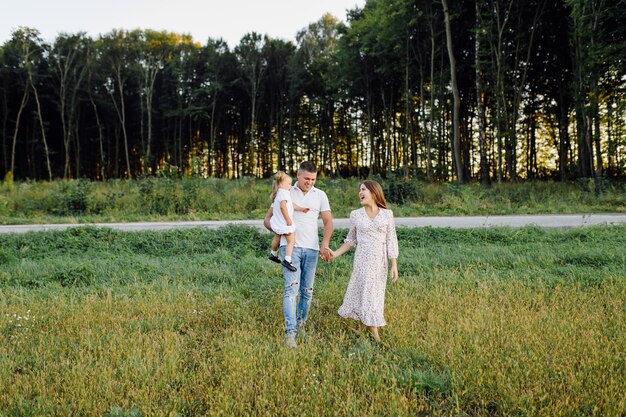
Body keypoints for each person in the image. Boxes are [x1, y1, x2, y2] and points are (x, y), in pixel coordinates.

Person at [264, 161, 333, 348]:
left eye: (313, 179)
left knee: (307, 292)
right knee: (291, 290)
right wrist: (280, 230)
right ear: (298, 175)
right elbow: (267, 219)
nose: (310, 182)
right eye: (307, 179)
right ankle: (290, 333)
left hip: (312, 249)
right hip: (290, 248)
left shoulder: (320, 195)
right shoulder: (285, 192)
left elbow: (328, 222)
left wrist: (325, 244)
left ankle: (302, 324)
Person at [327, 180, 399, 342]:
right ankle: (375, 336)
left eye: (363, 189)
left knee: (374, 294)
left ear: (374, 192)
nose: (360, 193)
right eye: (359, 190)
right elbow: (351, 240)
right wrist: (335, 254)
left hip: (379, 261)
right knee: (365, 292)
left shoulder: (387, 214)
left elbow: (391, 239)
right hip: (362, 259)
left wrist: (393, 264)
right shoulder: (355, 214)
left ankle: (367, 324)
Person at [267, 170, 309, 272]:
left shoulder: (279, 193)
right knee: (292, 241)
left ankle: (273, 254)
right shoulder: (284, 194)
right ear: (281, 184)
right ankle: (287, 260)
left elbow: (290, 205)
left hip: (278, 222)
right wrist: (288, 219)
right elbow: (283, 207)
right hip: (284, 223)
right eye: (289, 184)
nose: (290, 186)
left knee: (277, 238)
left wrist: (301, 209)